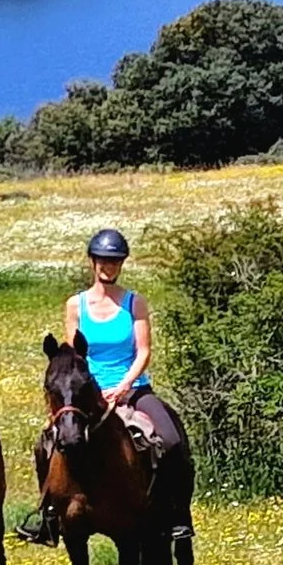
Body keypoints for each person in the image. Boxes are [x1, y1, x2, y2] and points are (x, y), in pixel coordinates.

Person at [62, 228, 195, 540]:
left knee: (171, 439)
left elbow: (144, 351)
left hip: (133, 388)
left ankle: (177, 513)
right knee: (52, 440)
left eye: (115, 262)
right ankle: (51, 512)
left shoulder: (135, 302)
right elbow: (74, 357)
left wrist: (123, 387)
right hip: (90, 392)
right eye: (104, 261)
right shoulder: (75, 306)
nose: (109, 267)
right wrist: (91, 391)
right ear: (93, 262)